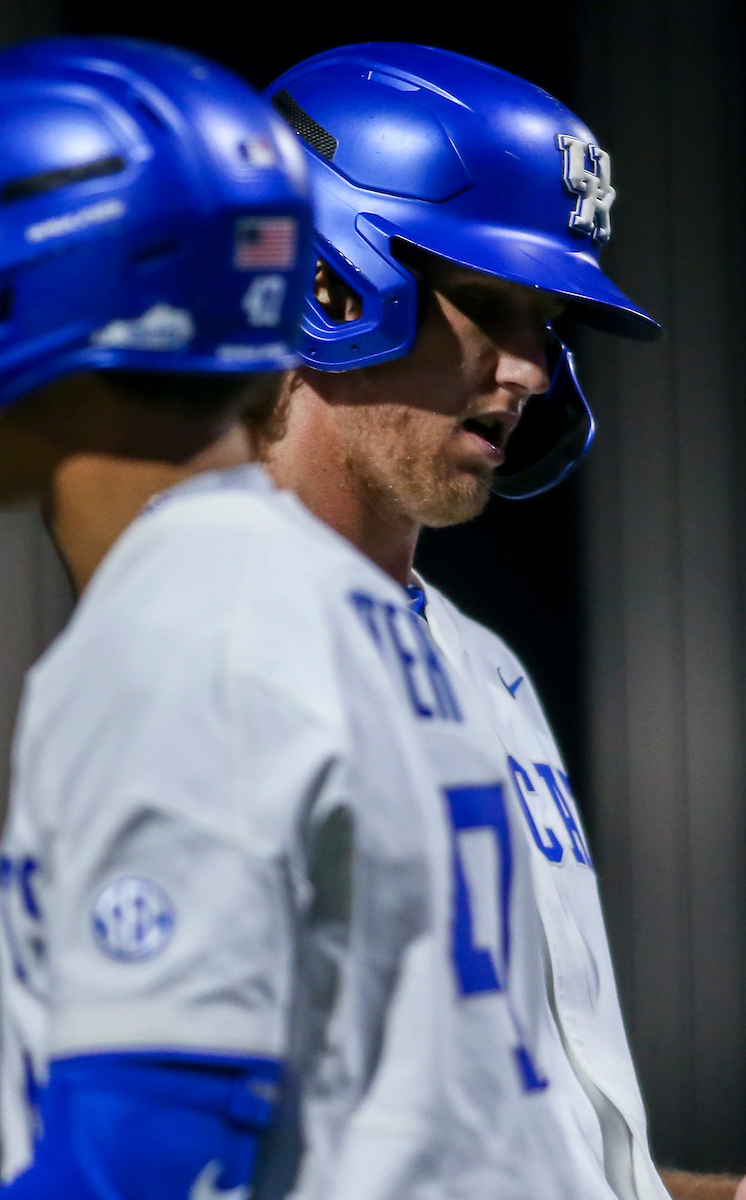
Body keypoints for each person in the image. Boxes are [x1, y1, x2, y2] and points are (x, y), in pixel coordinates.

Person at [0, 35, 613, 1200]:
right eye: (491, 309)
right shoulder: (355, 625)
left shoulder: (193, 628)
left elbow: (147, 1158)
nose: (531, 371)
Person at [263, 41, 746, 1200]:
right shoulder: (212, 653)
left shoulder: (481, 664)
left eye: (548, 322)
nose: (531, 370)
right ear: (324, 277)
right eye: (488, 305)